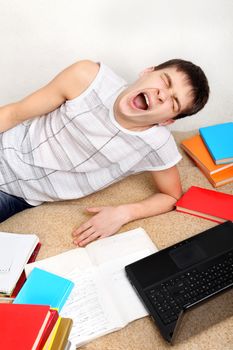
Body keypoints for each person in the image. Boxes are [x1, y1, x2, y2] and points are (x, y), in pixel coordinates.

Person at [0, 58, 209, 246]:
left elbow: (171, 196)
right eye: (165, 81)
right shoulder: (86, 78)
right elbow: (13, 114)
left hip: (15, 193)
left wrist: (123, 213)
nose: (162, 95)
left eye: (174, 102)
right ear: (147, 72)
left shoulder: (157, 144)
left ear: (166, 121)